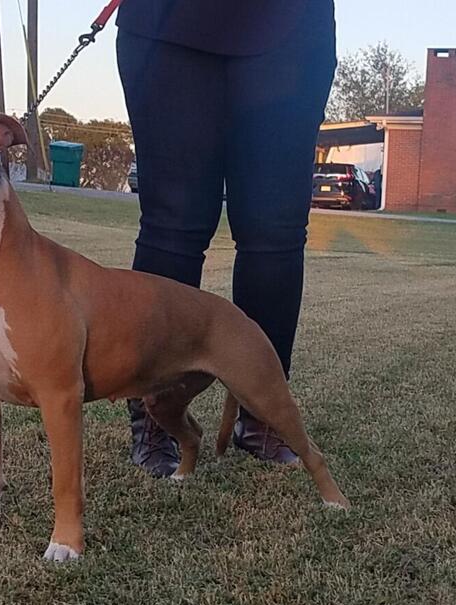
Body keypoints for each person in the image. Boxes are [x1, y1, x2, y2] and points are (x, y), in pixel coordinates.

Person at [116, 0, 337, 476]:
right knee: (172, 225)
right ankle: (155, 413)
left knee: (274, 230)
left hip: (290, 28)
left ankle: (262, 413)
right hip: (169, 25)